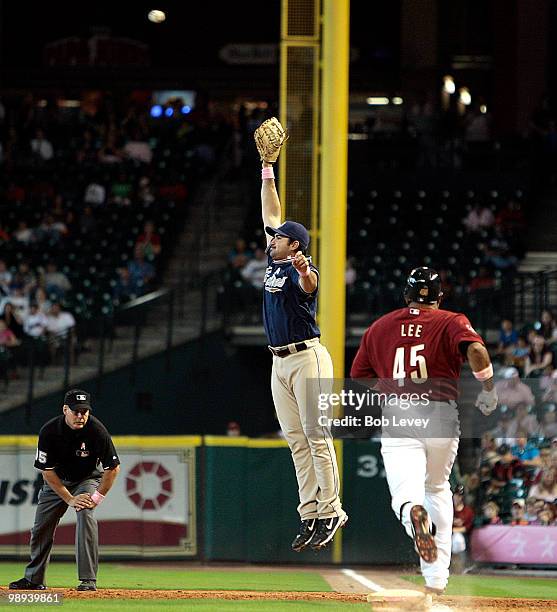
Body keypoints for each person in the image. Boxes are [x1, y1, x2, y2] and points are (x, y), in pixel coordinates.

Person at [350, 267, 497, 596]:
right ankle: (436, 580)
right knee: (438, 488)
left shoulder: (380, 327)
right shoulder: (451, 320)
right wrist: (488, 388)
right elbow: (475, 351)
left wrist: (388, 386)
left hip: (401, 410)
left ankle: (414, 515)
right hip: (441, 414)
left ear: (406, 294)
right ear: (439, 296)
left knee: (405, 495)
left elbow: (358, 374)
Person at [259, 140, 347, 552]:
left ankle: (332, 511)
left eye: (279, 238)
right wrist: (267, 167)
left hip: (307, 356)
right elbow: (270, 210)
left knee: (316, 434)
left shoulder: (297, 267)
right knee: (295, 438)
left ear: (294, 244)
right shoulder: (275, 258)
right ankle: (310, 513)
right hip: (279, 363)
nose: (272, 238)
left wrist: (306, 270)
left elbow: (311, 287)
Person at [9, 390, 120, 591]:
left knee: (85, 513)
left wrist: (96, 497)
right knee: (41, 527)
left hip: (87, 479)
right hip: (57, 481)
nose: (81, 416)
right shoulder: (50, 431)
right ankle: (34, 579)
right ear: (65, 410)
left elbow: (112, 468)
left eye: (85, 411)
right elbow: (47, 472)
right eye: (76, 411)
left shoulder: (96, 430)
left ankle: (88, 580)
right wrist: (69, 499)